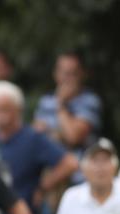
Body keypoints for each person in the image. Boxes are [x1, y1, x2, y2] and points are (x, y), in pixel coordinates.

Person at [0, 81, 78, 214]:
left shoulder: (32, 138)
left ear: (18, 110)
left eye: (4, 109)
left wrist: (43, 187)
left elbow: (69, 163)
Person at [32, 51, 103, 184]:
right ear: (55, 74)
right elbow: (36, 137)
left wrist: (61, 105)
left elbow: (73, 137)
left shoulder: (90, 101)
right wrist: (60, 133)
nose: (67, 78)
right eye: (64, 73)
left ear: (82, 74)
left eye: (72, 73)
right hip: (50, 175)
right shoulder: (45, 102)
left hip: (79, 179)